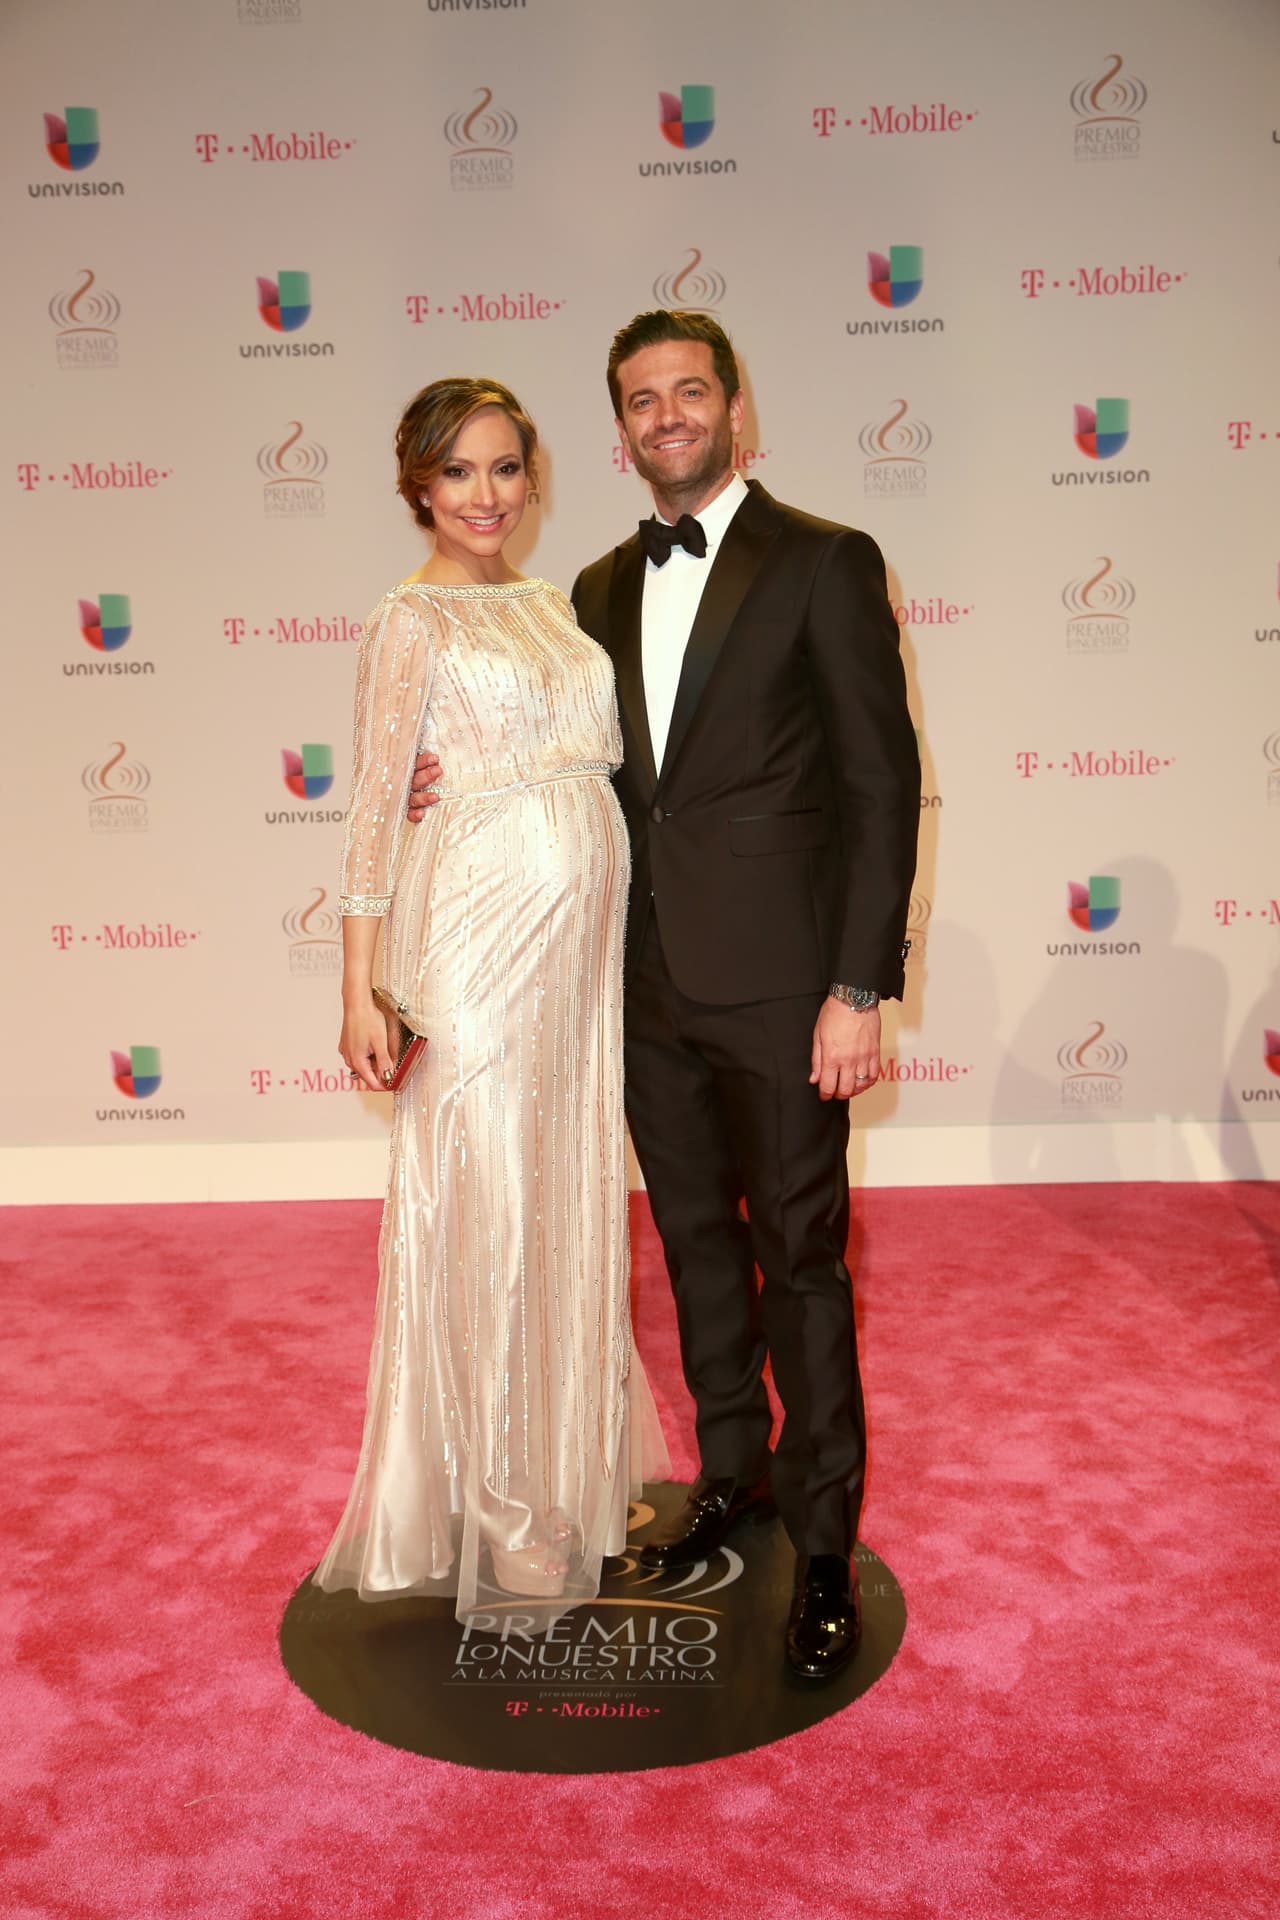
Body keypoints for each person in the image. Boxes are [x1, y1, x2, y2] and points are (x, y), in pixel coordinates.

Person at [411, 314, 920, 1678]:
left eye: (690, 392)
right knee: (695, 1246)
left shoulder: (823, 560)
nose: (668, 417)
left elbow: (879, 788)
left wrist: (860, 986)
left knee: (801, 1265)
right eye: (642, 400)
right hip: (639, 989)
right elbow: (551, 758)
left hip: (783, 991)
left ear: (735, 410)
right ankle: (734, 1474)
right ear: (621, 429)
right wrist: (438, 785)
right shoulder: (590, 588)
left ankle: (823, 1545)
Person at [313, 375, 667, 1623]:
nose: (484, 495)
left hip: (576, 955)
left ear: (534, 476)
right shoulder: (405, 622)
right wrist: (359, 987)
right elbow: (369, 809)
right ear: (416, 483)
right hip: (473, 940)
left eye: (505, 468)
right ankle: (502, 1498)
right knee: (492, 1204)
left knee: (563, 1187)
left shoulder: (548, 604)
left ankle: (566, 1459)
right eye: (457, 472)